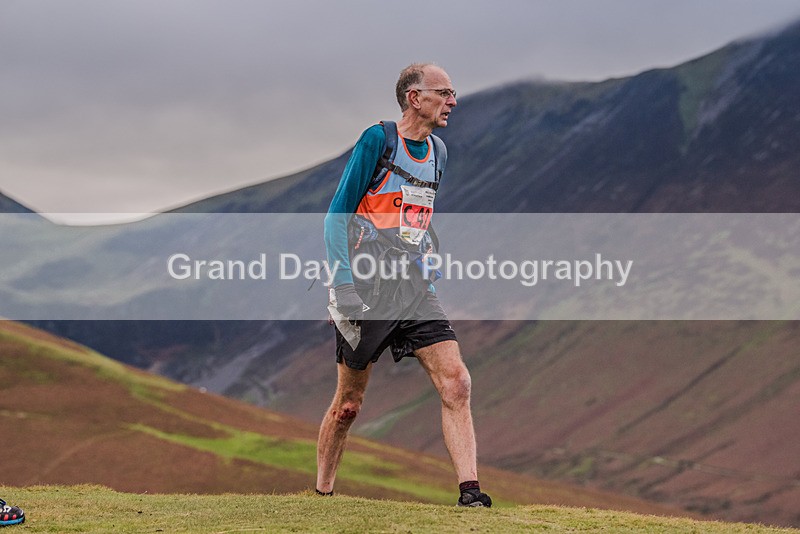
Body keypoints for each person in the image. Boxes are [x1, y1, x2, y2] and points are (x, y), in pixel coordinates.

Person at [317, 63, 492, 507]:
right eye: (444, 92)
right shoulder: (378, 139)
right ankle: (321, 494)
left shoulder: (440, 152)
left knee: (457, 382)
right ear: (415, 98)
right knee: (349, 405)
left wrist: (424, 255)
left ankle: (470, 493)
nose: (453, 101)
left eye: (454, 93)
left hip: (413, 287)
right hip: (365, 286)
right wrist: (344, 285)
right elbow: (337, 215)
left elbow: (417, 216)